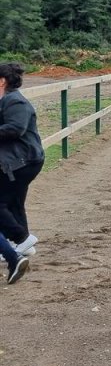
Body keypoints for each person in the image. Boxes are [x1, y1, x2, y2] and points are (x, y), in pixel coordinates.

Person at [0, 63, 44, 258]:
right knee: (15, 202)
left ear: (2, 81)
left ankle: (21, 239)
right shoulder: (7, 100)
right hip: (21, 160)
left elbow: (15, 128)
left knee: (2, 203)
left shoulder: (15, 102)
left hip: (24, 161)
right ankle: (24, 245)